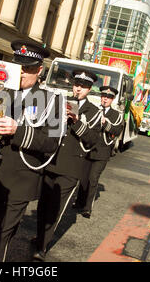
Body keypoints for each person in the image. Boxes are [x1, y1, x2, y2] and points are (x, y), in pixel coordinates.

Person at [0, 40, 63, 262]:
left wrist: (17, 131)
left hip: (20, 179)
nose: (21, 73)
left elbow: (52, 142)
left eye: (28, 68)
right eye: (18, 66)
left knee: (0, 237)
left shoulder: (53, 100)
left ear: (39, 70)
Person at [33, 70, 101, 261]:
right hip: (51, 160)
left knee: (55, 208)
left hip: (71, 166)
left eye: (84, 86)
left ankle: (42, 247)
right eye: (76, 84)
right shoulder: (59, 102)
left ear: (89, 89)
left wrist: (77, 122)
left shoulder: (94, 112)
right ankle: (39, 237)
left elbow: (92, 140)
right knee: (43, 205)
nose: (78, 88)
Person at [73, 86, 124, 219]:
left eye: (109, 97)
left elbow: (117, 130)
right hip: (88, 149)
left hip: (102, 152)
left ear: (112, 100)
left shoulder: (116, 115)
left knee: (93, 178)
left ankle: (87, 208)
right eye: (103, 96)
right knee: (83, 177)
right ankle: (79, 202)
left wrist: (105, 123)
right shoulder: (93, 110)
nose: (105, 99)